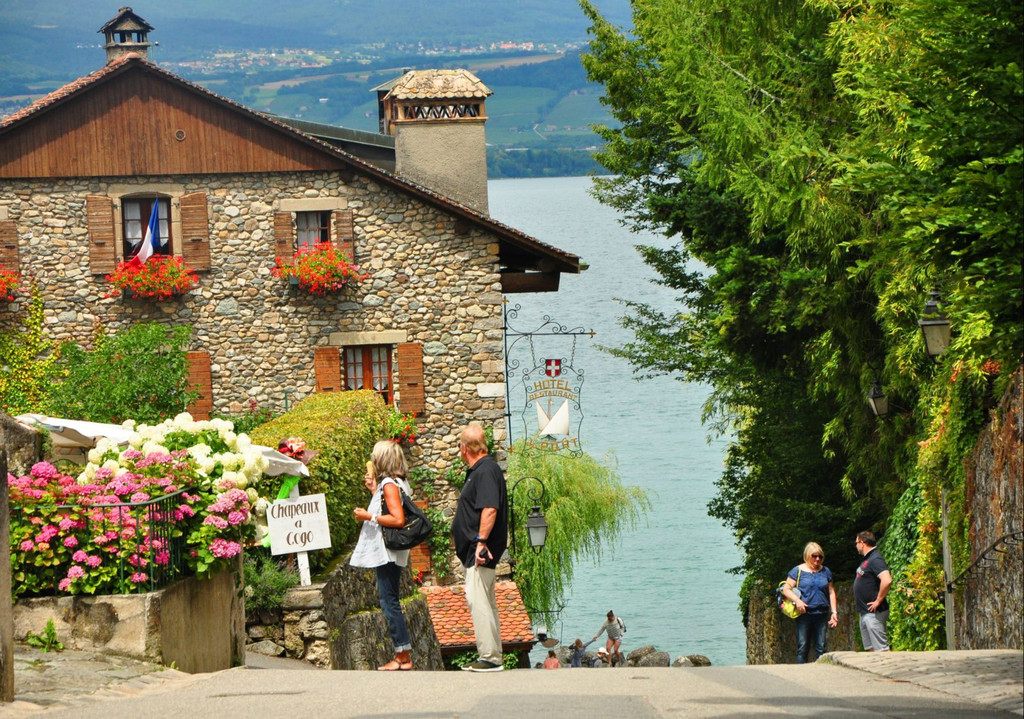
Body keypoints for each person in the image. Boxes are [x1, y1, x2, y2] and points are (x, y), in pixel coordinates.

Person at [350, 440, 415, 671]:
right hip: (395, 551)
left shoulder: (389, 484)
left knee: (389, 601)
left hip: (387, 551)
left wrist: (368, 516)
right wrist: (373, 491)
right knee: (390, 599)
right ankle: (402, 654)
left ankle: (403, 656)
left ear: (382, 460)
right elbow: (389, 506)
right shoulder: (399, 482)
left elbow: (397, 519)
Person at [451, 424, 509, 672]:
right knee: (486, 600)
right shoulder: (486, 469)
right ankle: (493, 654)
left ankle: (489, 657)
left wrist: (481, 543)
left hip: (480, 550)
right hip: (478, 548)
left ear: (465, 448)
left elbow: (489, 508)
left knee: (478, 601)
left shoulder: (485, 471)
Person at [780, 542, 838, 663]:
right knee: (803, 646)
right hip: (804, 614)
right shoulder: (798, 571)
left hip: (821, 613)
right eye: (814, 556)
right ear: (807, 555)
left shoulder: (825, 571)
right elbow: (785, 589)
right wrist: (798, 601)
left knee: (821, 647)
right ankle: (801, 674)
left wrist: (834, 612)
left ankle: (820, 674)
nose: (817, 559)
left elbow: (831, 592)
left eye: (820, 556)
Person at [854, 530, 892, 652]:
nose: (856, 546)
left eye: (856, 543)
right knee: (870, 649)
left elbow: (887, 580)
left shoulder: (875, 559)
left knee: (882, 650)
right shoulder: (867, 559)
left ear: (862, 542)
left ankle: (891, 669)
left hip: (874, 613)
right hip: (865, 612)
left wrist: (878, 600)